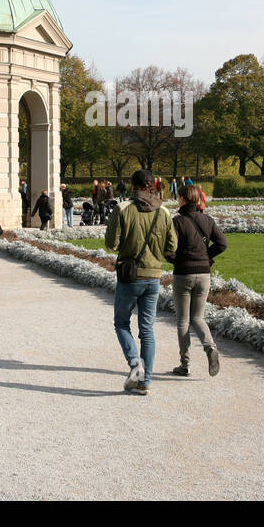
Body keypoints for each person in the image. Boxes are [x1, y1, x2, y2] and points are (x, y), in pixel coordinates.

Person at [104, 169, 177, 396]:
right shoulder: (164, 212)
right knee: (147, 330)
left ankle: (135, 362)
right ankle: (145, 381)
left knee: (122, 323)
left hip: (129, 276)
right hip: (153, 276)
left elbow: (112, 244)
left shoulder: (123, 209)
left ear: (132, 185)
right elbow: (172, 247)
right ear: (153, 185)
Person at [169, 184, 226, 378]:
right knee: (198, 318)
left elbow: (170, 249)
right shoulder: (208, 220)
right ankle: (210, 348)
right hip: (204, 274)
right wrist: (205, 256)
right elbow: (222, 244)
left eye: (178, 197)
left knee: (183, 320)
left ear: (183, 199)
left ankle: (185, 365)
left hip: (183, 273)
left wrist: (176, 260)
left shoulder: (177, 221)